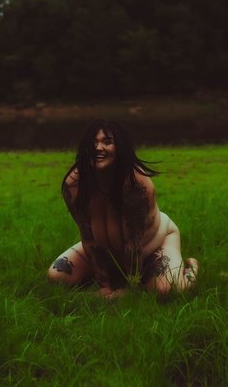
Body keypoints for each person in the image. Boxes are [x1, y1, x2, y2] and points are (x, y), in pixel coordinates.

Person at [47, 119, 198, 298]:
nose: (98, 148)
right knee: (57, 275)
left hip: (151, 245)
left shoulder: (135, 186)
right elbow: (88, 237)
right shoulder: (74, 185)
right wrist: (104, 287)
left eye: (107, 142)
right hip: (108, 252)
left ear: (120, 147)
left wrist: (131, 288)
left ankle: (191, 269)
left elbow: (133, 243)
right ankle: (114, 273)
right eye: (93, 143)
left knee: (165, 290)